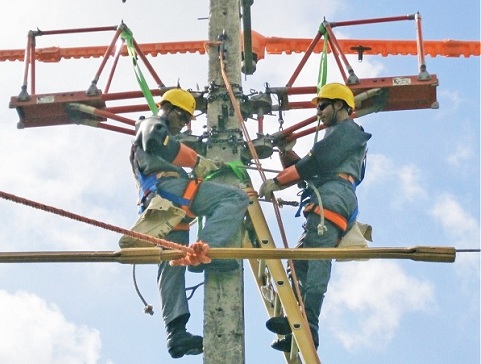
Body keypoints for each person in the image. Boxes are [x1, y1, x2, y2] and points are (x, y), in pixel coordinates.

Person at [123, 88, 250, 359]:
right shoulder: (150, 124)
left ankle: (176, 334)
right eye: (183, 118)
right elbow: (157, 139)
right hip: (170, 190)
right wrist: (196, 160)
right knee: (234, 198)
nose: (184, 124)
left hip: (162, 205)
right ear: (170, 110)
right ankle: (207, 251)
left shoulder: (151, 137)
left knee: (171, 265)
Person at [259, 83, 371, 352]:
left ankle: (310, 323)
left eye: (322, 106)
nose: (319, 112)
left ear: (341, 105)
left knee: (317, 257)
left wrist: (279, 180)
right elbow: (313, 168)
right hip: (325, 194)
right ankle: (295, 318)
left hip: (334, 197)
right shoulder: (336, 136)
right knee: (298, 263)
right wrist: (286, 154)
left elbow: (316, 161)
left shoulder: (348, 131)